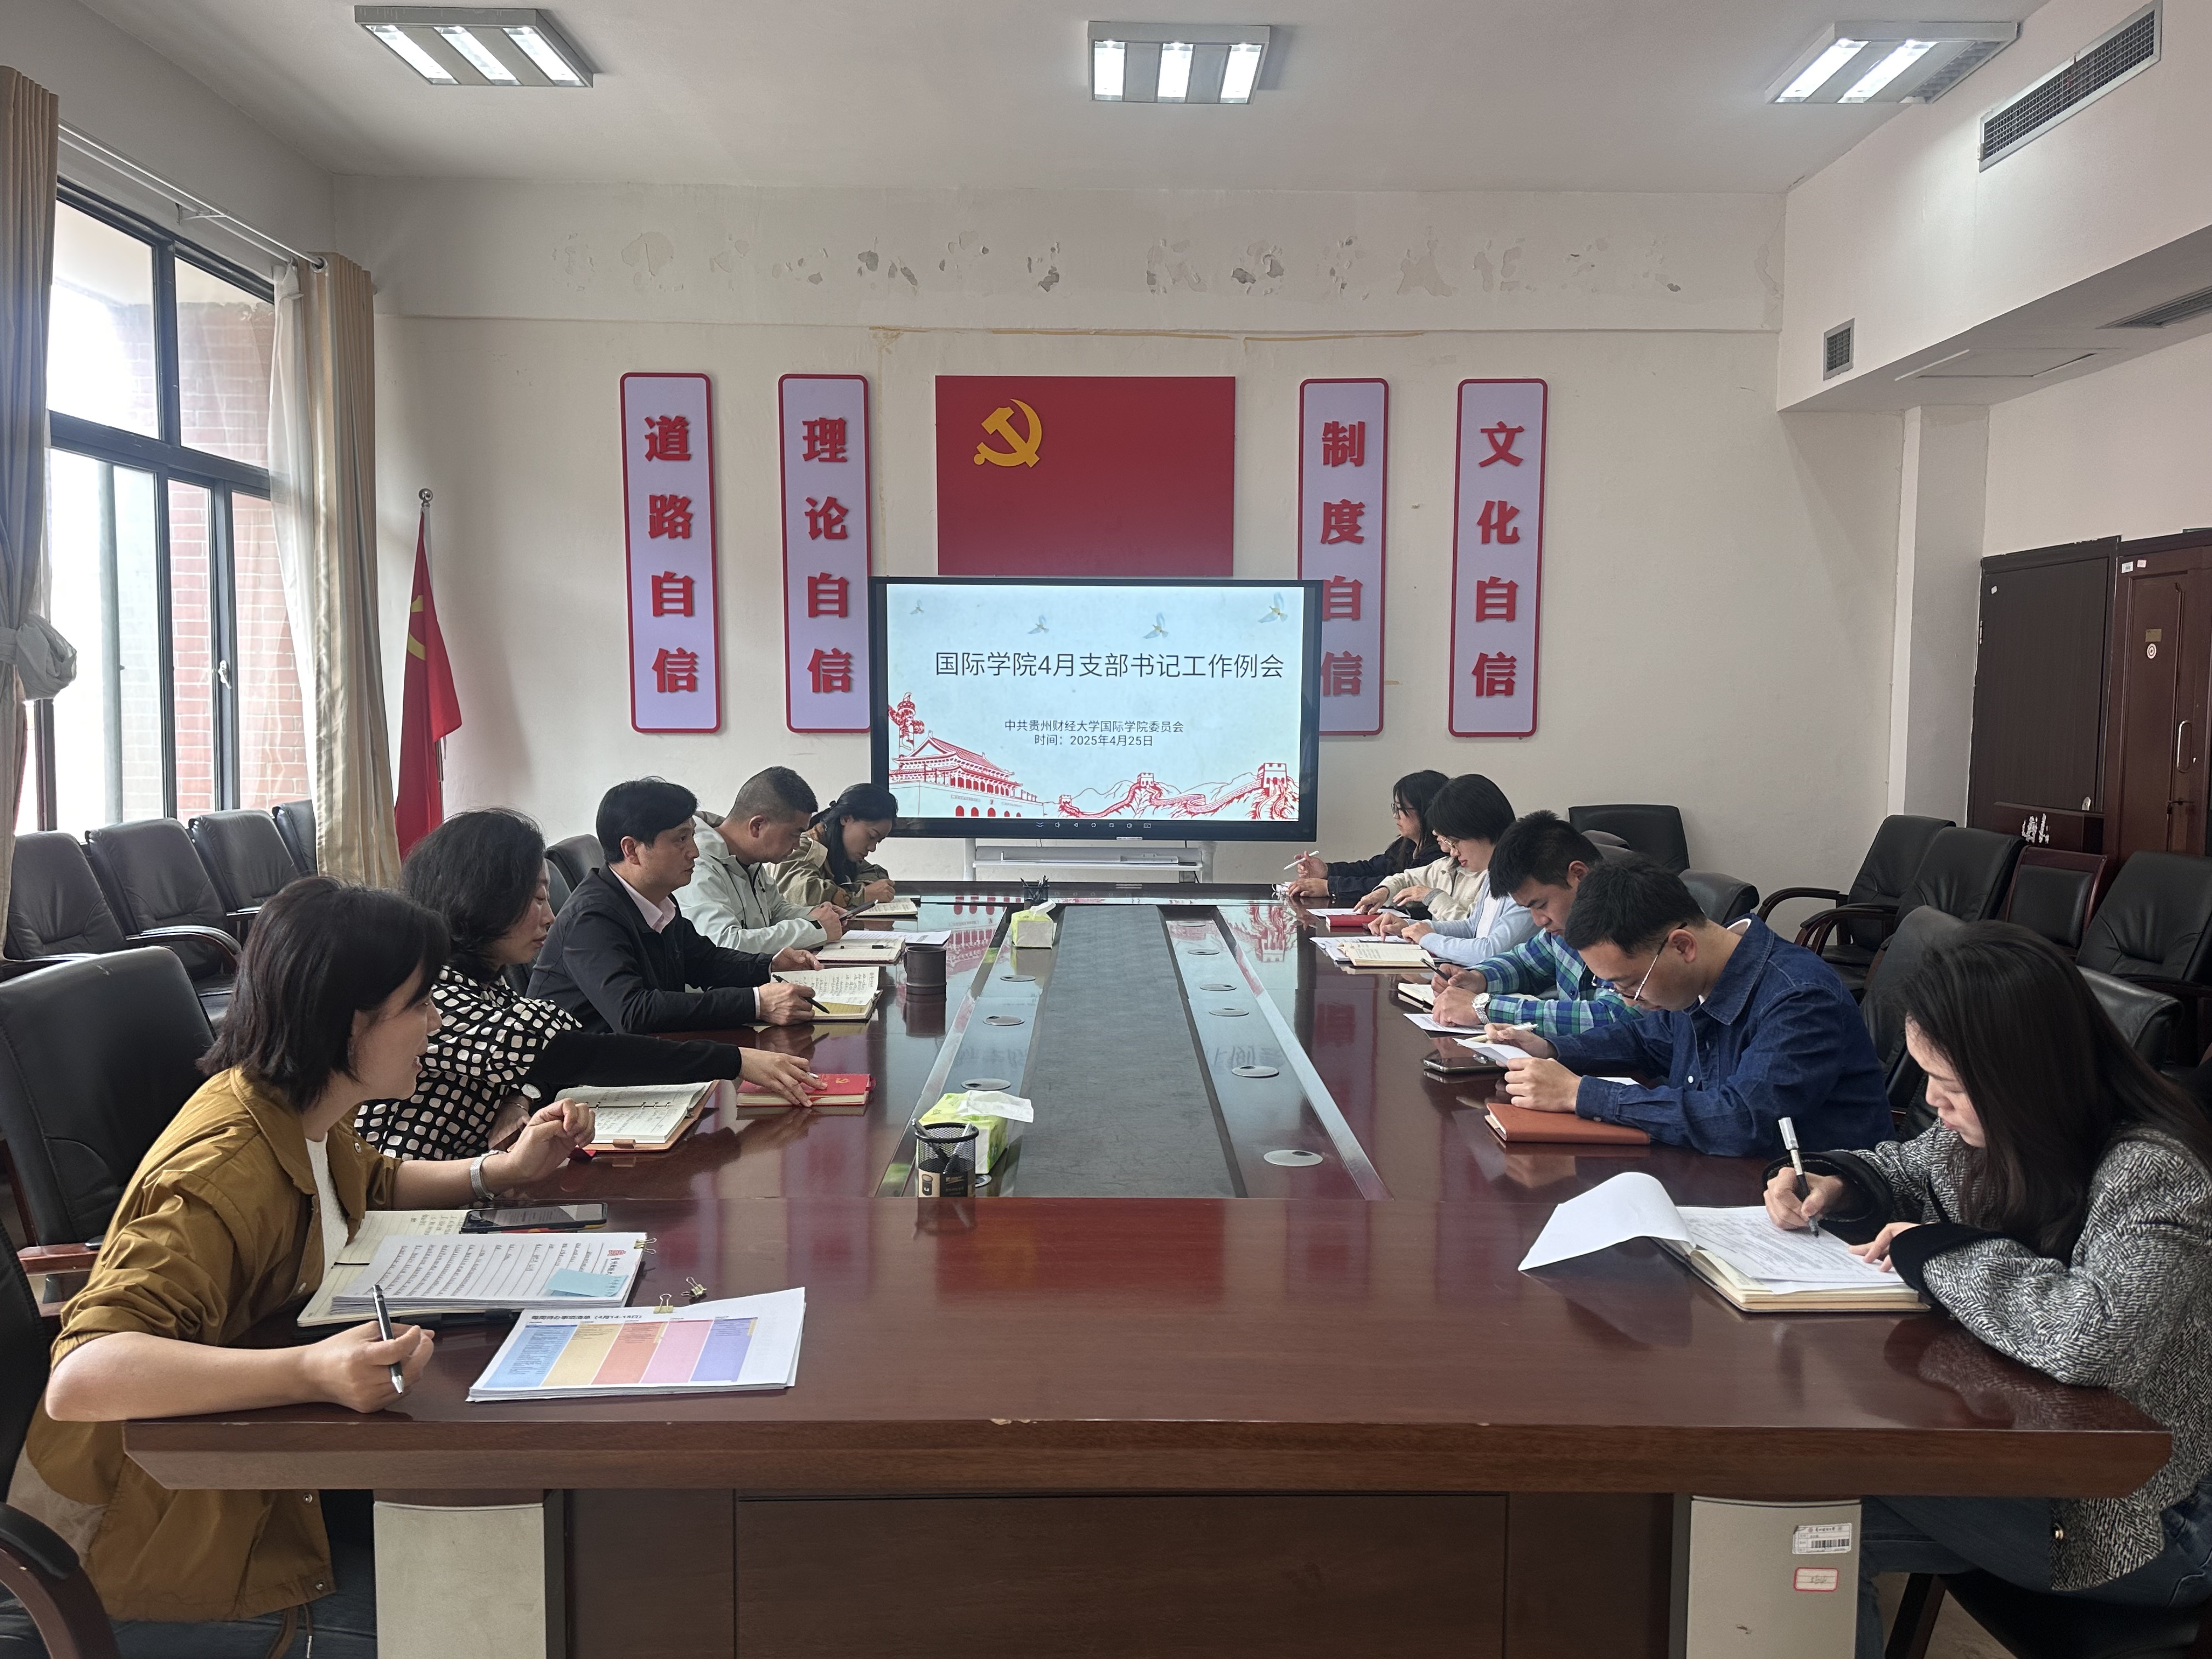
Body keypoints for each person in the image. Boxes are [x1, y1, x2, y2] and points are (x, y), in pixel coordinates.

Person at [0, 879, 594, 1656]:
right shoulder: (220, 1174)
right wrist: (310, 1372)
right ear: (350, 1023)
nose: (437, 1021)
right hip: (152, 1549)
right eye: (419, 1004)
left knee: (538, 1556)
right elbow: (85, 1375)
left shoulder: (295, 1107)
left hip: (263, 1480)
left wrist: (498, 1172)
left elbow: (368, 1184)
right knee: (499, 1627)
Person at [1758, 924, 2212, 1659]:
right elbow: (1910, 1168)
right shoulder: (2005, 1127)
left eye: (1951, 1085)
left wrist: (1938, 1252)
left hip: (2145, 1517)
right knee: (1789, 1510)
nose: (1931, 1101)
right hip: (2033, 1455)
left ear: (2023, 1075)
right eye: (1925, 1076)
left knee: (1810, 1495)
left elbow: (2091, 1337)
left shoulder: (2153, 1173)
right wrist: (1837, 1183)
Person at [358, 809, 818, 1159]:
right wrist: (735, 1059)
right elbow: (575, 1052)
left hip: (483, 1179)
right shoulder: (435, 995)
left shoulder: (483, 983)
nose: (549, 916)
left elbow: (536, 1065)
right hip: (420, 1211)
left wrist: (520, 1097)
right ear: (484, 900)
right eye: (537, 898)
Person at [1485, 859, 1891, 1157]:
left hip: (1812, 1211)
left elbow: (1743, 1120)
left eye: (1630, 984)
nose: (1628, 1000)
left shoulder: (1798, 998)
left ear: (1682, 946)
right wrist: (1552, 1049)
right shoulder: (1697, 980)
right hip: (1720, 1176)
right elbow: (1644, 1040)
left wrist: (1581, 1093)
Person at [531, 779, 816, 1034]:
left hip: (642, 1055)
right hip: (583, 1072)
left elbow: (703, 960)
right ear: (632, 850)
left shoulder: (658, 899)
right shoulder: (591, 918)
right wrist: (756, 1003)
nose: (694, 851)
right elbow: (634, 1012)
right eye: (681, 839)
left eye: (692, 835)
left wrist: (769, 964)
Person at [1428, 810, 1637, 1038]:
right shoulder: (1561, 928)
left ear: (1578, 875)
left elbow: (1614, 1017)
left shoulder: (1629, 921)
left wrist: (1485, 1007)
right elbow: (1526, 963)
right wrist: (1479, 978)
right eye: (1529, 909)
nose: (1539, 921)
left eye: (1541, 905)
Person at [681, 767, 850, 955]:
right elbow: (724, 944)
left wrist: (816, 915)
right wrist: (815, 929)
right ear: (757, 826)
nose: (796, 845)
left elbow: (776, 911)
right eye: (794, 835)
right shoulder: (698, 864)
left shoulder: (750, 858)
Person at [1369, 774, 1535, 962]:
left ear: (1480, 829)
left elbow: (1491, 951)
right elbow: (1471, 927)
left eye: (1455, 842)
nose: (1453, 853)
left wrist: (1428, 938)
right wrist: (1410, 927)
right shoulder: (1495, 870)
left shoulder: (1525, 877)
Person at [1285, 770, 1446, 903]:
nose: (1396, 816)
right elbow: (1372, 869)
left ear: (1426, 811)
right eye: (1395, 808)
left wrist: (1330, 887)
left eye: (1401, 809)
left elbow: (1393, 886)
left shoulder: (1440, 853)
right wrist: (1328, 871)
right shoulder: (1407, 844)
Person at [778, 783, 898, 912]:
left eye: (878, 841)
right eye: (871, 836)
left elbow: (876, 874)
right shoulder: (801, 847)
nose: (873, 848)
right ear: (846, 819)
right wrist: (861, 896)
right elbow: (803, 896)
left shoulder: (844, 853)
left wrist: (865, 890)